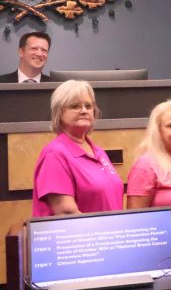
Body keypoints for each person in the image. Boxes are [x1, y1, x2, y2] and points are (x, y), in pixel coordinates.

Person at [32, 80, 123, 216]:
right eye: (75, 106)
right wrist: (103, 234)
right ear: (59, 113)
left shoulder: (99, 152)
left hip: (109, 234)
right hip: (84, 236)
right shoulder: (54, 154)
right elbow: (66, 212)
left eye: (88, 106)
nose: (84, 110)